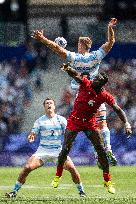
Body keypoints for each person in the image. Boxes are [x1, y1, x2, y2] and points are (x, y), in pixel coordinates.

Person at [31, 18, 118, 166]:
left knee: (87, 128)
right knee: (102, 124)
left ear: (81, 45)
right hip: (97, 95)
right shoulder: (96, 56)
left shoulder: (75, 58)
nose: (77, 46)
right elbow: (110, 43)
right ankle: (108, 149)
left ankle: (97, 154)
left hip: (83, 98)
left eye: (78, 44)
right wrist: (110, 27)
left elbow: (57, 49)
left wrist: (43, 38)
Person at [51, 63, 132, 194]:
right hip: (74, 121)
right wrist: (67, 69)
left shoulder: (104, 95)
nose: (95, 79)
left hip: (89, 123)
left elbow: (117, 109)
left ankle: (107, 181)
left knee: (101, 150)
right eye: (96, 78)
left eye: (98, 79)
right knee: (65, 149)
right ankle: (57, 175)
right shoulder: (86, 83)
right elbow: (76, 76)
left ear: (102, 84)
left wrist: (127, 123)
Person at [5, 97, 86, 198]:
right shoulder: (40, 121)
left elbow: (69, 132)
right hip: (43, 151)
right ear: (44, 106)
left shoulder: (61, 120)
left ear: (54, 106)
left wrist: (69, 140)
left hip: (57, 151)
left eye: (51, 103)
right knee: (27, 167)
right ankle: (14, 192)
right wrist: (31, 136)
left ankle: (82, 191)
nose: (49, 105)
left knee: (72, 169)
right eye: (47, 103)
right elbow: (33, 132)